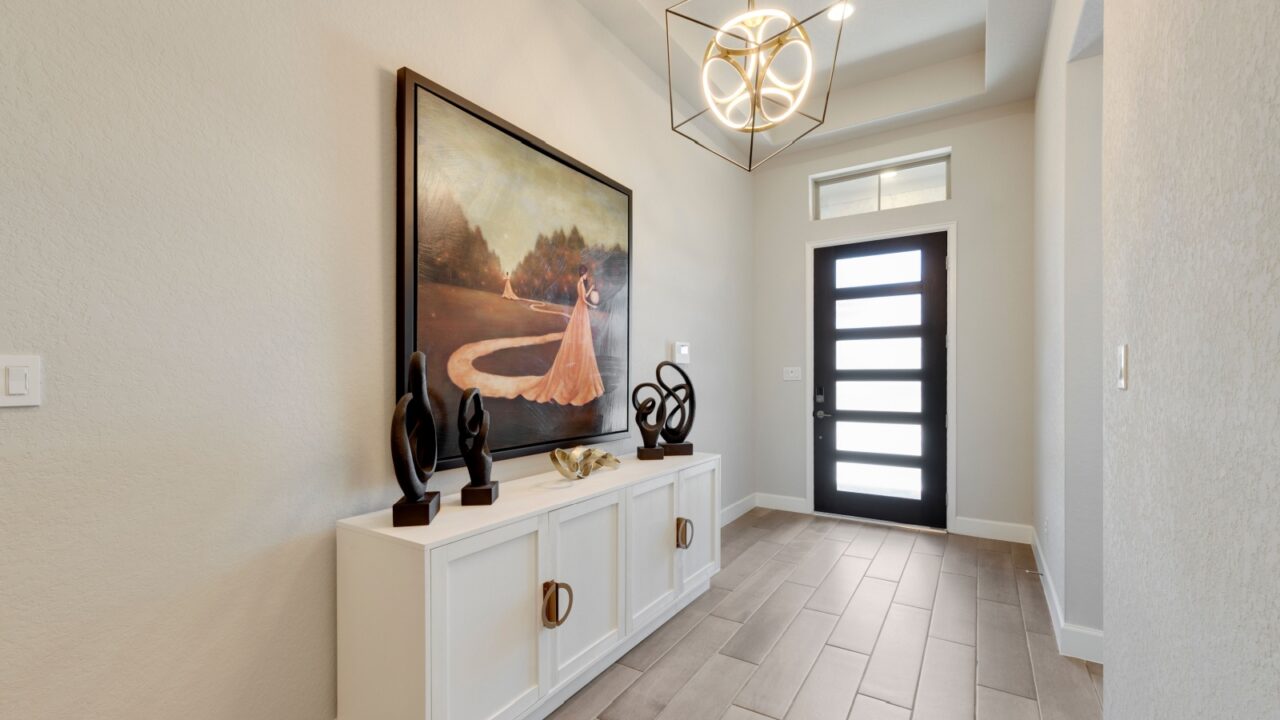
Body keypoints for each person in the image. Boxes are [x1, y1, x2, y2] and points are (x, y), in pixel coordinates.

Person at [522, 265, 604, 405]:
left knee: (581, 336)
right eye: (586, 274)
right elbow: (583, 299)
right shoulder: (580, 283)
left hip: (581, 310)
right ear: (584, 274)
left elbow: (583, 296)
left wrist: (590, 289)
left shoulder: (581, 283)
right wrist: (593, 305)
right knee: (581, 336)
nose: (587, 276)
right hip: (581, 309)